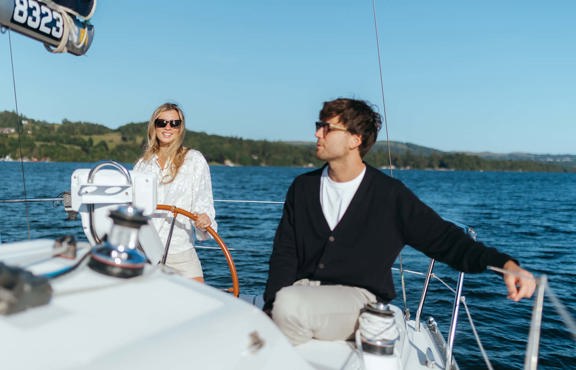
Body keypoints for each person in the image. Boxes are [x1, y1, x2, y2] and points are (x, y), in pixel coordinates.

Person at [263, 97, 536, 345]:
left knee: (289, 306)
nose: (317, 133)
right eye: (318, 125)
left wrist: (505, 265)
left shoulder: (388, 196)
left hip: (358, 300)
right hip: (305, 292)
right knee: (275, 309)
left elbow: (445, 240)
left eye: (327, 127)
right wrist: (269, 307)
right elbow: (284, 253)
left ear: (355, 139)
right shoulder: (303, 188)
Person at [134, 102, 216, 282]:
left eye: (174, 123)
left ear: (180, 127)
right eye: (162, 123)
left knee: (195, 305)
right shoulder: (142, 164)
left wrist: (204, 219)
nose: (168, 127)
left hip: (180, 252)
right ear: (154, 127)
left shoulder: (194, 160)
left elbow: (203, 201)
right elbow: (134, 206)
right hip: (145, 251)